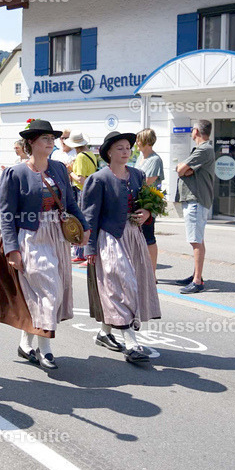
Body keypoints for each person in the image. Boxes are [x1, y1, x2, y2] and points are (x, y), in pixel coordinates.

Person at [0, 119, 89, 370]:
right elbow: (7, 214)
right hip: (31, 237)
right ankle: (45, 349)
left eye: (52, 139)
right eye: (45, 139)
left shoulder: (58, 169)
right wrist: (12, 249)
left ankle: (26, 344)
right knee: (49, 290)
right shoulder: (15, 173)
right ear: (31, 143)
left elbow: (71, 204)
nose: (51, 142)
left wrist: (85, 226)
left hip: (57, 234)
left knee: (49, 292)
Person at [84, 131, 160, 363]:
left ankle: (104, 334)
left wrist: (148, 212)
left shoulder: (137, 174)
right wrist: (89, 248)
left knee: (129, 284)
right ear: (109, 152)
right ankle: (131, 342)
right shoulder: (99, 179)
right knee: (121, 284)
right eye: (120, 148)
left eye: (128, 147)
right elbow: (89, 216)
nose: (126, 151)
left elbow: (151, 202)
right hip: (110, 238)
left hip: (133, 236)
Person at [174, 119, 216, 294]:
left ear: (197, 131)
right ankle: (196, 275)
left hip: (196, 199)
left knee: (196, 241)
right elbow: (184, 169)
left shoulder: (204, 149)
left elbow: (180, 169)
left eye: (192, 130)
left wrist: (185, 169)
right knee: (198, 239)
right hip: (195, 199)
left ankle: (197, 280)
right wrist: (185, 169)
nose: (191, 132)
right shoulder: (201, 150)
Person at [134, 129, 163, 278]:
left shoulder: (154, 160)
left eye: (139, 140)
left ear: (146, 141)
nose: (136, 143)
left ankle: (152, 274)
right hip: (137, 201)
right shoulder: (141, 157)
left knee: (149, 238)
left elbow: (147, 182)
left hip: (148, 203)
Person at [68, 131, 98, 267]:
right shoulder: (91, 154)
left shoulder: (80, 157)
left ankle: (81, 253)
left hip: (81, 190)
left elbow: (80, 179)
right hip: (91, 190)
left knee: (80, 220)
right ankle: (86, 252)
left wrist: (69, 171)